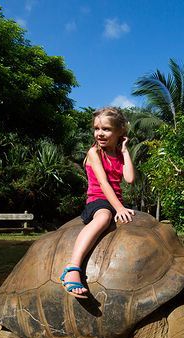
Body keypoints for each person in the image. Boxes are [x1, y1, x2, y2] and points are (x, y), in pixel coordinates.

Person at [60, 107, 136, 298]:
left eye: (107, 129)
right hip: (97, 199)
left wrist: (125, 151)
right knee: (104, 218)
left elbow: (129, 179)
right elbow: (102, 183)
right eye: (97, 128)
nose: (100, 133)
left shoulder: (119, 154)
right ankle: (73, 268)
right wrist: (118, 207)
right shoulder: (94, 152)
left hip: (115, 200)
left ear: (120, 132)